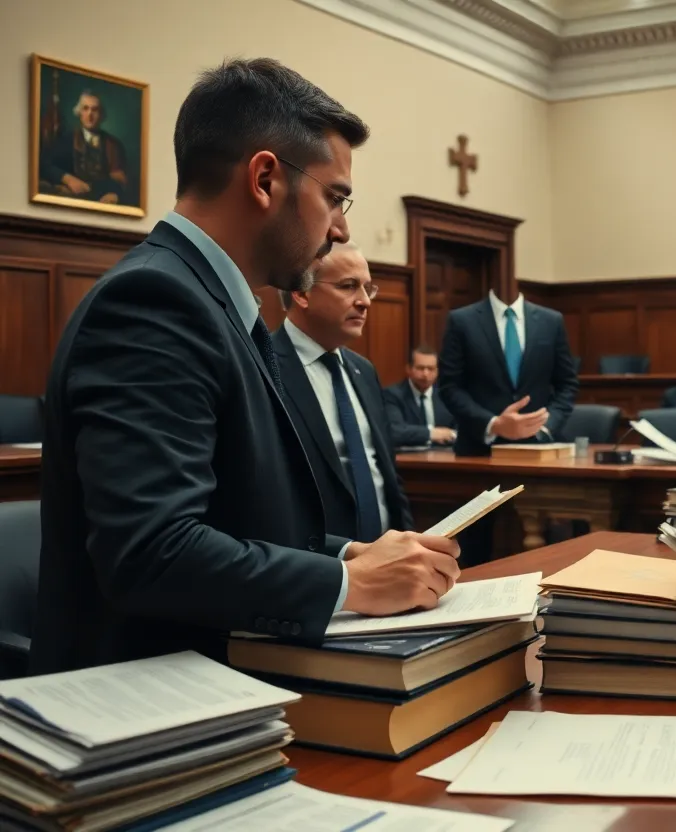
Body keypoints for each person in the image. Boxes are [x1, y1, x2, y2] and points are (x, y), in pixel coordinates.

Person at [33, 58, 459, 674]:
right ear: (264, 179)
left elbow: (238, 514)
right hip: (151, 712)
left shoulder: (217, 302)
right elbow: (152, 552)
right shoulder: (155, 302)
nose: (341, 229)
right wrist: (350, 587)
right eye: (335, 197)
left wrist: (350, 557)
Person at [272, 243, 414, 541]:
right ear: (301, 293)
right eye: (348, 286)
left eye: (368, 289)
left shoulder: (364, 371)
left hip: (388, 560)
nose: (365, 302)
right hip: (316, 570)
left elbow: (385, 471)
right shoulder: (261, 364)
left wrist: (408, 540)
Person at [437, 288, 578, 458]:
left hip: (539, 449)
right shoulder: (462, 320)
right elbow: (450, 386)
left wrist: (545, 425)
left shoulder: (551, 321)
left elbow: (567, 384)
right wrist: (492, 424)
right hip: (480, 451)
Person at [40, 90, 130, 205]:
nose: (90, 114)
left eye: (95, 110)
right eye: (85, 109)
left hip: (103, 203)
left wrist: (116, 194)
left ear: (101, 115)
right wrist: (67, 179)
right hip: (73, 202)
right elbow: (45, 165)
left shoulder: (113, 145)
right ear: (79, 113)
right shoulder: (66, 140)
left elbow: (121, 180)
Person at [384, 346, 456, 447]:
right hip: (408, 458)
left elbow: (459, 429)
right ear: (408, 369)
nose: (425, 374)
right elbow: (395, 431)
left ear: (437, 371)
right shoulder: (393, 395)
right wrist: (431, 433)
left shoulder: (446, 395)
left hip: (443, 457)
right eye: (420, 368)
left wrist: (451, 435)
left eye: (430, 369)